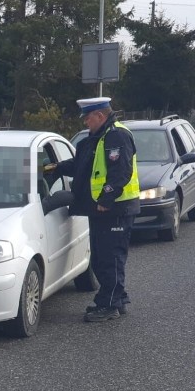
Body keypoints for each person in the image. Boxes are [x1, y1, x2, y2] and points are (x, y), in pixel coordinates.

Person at [46, 97, 140, 322]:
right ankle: (117, 298)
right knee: (100, 258)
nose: (86, 123)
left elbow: (121, 173)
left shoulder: (116, 135)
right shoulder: (98, 137)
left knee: (110, 258)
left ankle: (109, 305)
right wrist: (57, 167)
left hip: (115, 208)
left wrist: (105, 199)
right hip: (101, 210)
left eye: (88, 118)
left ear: (100, 115)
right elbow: (82, 166)